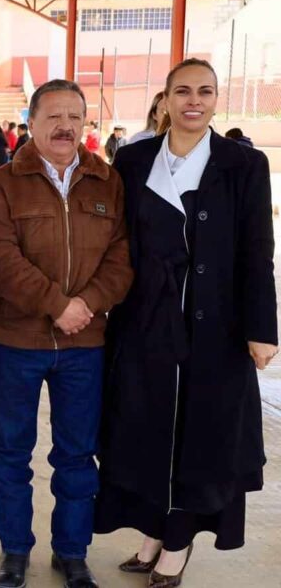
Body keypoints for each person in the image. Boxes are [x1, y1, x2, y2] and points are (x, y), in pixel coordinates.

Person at [95, 58, 277, 588]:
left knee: (200, 437)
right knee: (146, 428)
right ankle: (153, 530)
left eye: (205, 91)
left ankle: (177, 542)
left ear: (216, 99)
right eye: (182, 91)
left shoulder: (243, 164)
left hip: (215, 328)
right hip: (145, 324)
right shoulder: (134, 160)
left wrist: (262, 328)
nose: (193, 100)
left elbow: (257, 253)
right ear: (165, 100)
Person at [0, 79, 133, 588]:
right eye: (53, 117)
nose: (65, 126)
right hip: (16, 343)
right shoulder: (2, 183)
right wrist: (56, 305)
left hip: (84, 346)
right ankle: (14, 550)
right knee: (11, 450)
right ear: (32, 122)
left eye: (75, 117)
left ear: (86, 124)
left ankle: (72, 552)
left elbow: (122, 259)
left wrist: (85, 306)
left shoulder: (108, 181)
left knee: (75, 454)